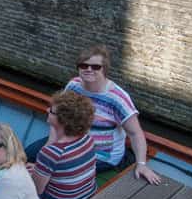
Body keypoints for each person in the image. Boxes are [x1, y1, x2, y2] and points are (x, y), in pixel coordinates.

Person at [58, 45, 162, 185]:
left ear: (104, 69)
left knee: (60, 169)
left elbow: (135, 133)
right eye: (84, 65)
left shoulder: (117, 99)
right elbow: (61, 116)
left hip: (102, 155)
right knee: (33, 153)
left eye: (95, 67)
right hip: (72, 143)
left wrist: (141, 164)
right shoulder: (73, 86)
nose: (89, 69)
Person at [31, 90, 99, 199]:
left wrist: (29, 174)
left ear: (63, 120)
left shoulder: (51, 153)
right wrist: (38, 170)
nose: (47, 110)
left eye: (51, 111)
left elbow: (36, 190)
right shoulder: (87, 140)